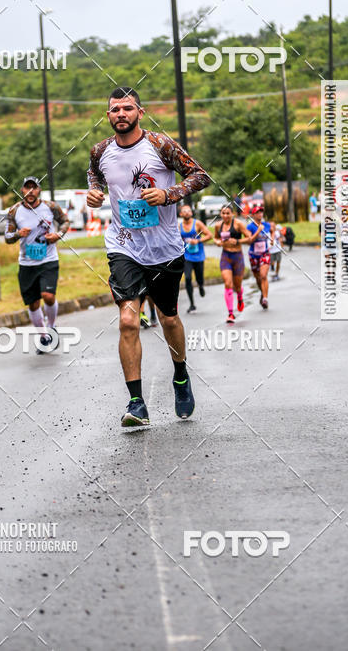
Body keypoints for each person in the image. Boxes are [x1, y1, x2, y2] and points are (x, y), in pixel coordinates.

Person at [87, 86, 211, 428]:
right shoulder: (100, 151)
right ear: (108, 115)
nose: (121, 114)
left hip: (165, 249)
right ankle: (136, 402)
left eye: (127, 108)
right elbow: (95, 175)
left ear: (140, 112)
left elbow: (200, 175)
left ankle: (181, 375)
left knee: (169, 318)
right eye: (114, 110)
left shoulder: (160, 145)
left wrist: (169, 193)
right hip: (123, 245)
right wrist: (95, 193)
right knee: (128, 320)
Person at [5, 176, 70, 354]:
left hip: (48, 260)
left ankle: (52, 327)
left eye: (34, 188)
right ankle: (43, 337)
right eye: (27, 188)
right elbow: (8, 238)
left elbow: (65, 221)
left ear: (39, 190)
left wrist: (58, 235)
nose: (31, 191)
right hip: (27, 263)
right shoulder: (14, 211)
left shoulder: (50, 207)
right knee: (33, 304)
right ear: (22, 190)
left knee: (48, 296)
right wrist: (18, 234)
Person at [214, 203, 255, 323]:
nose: (225, 215)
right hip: (225, 256)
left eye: (228, 213)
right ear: (221, 214)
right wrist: (217, 242)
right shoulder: (218, 225)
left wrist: (237, 241)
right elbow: (215, 238)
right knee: (228, 283)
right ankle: (230, 313)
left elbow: (250, 237)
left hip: (237, 257)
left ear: (232, 214)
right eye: (223, 213)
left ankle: (240, 297)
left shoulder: (238, 224)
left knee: (237, 286)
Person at [179, 203, 213, 313]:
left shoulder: (197, 223)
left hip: (198, 255)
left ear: (191, 212)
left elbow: (209, 235)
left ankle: (201, 285)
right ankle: (192, 304)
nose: (186, 213)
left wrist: (197, 241)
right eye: (184, 211)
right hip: (187, 256)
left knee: (199, 278)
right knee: (188, 278)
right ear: (181, 214)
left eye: (188, 211)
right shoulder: (179, 226)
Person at [247, 205, 273, 309]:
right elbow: (249, 241)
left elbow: (272, 230)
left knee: (263, 275)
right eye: (258, 212)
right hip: (253, 255)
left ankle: (265, 299)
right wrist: (258, 231)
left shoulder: (266, 225)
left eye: (261, 212)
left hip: (264, 253)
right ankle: (263, 292)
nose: (260, 214)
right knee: (258, 278)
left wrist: (272, 238)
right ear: (253, 215)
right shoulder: (250, 227)